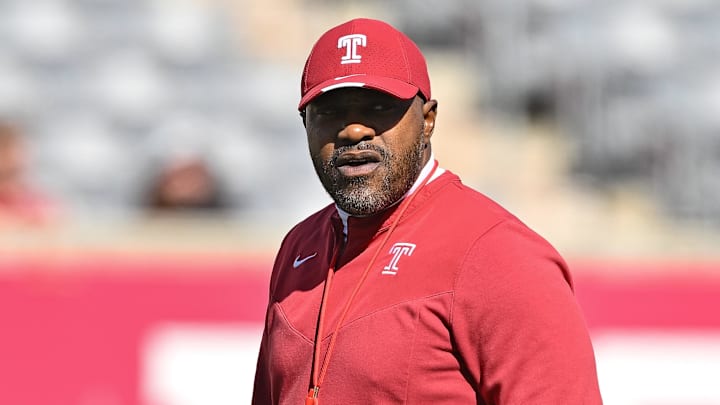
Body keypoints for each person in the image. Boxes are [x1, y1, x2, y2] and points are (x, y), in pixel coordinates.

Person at [252, 18, 602, 404]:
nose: (353, 131)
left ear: (428, 119)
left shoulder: (498, 253)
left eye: (379, 106)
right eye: (330, 111)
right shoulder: (299, 246)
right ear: (305, 124)